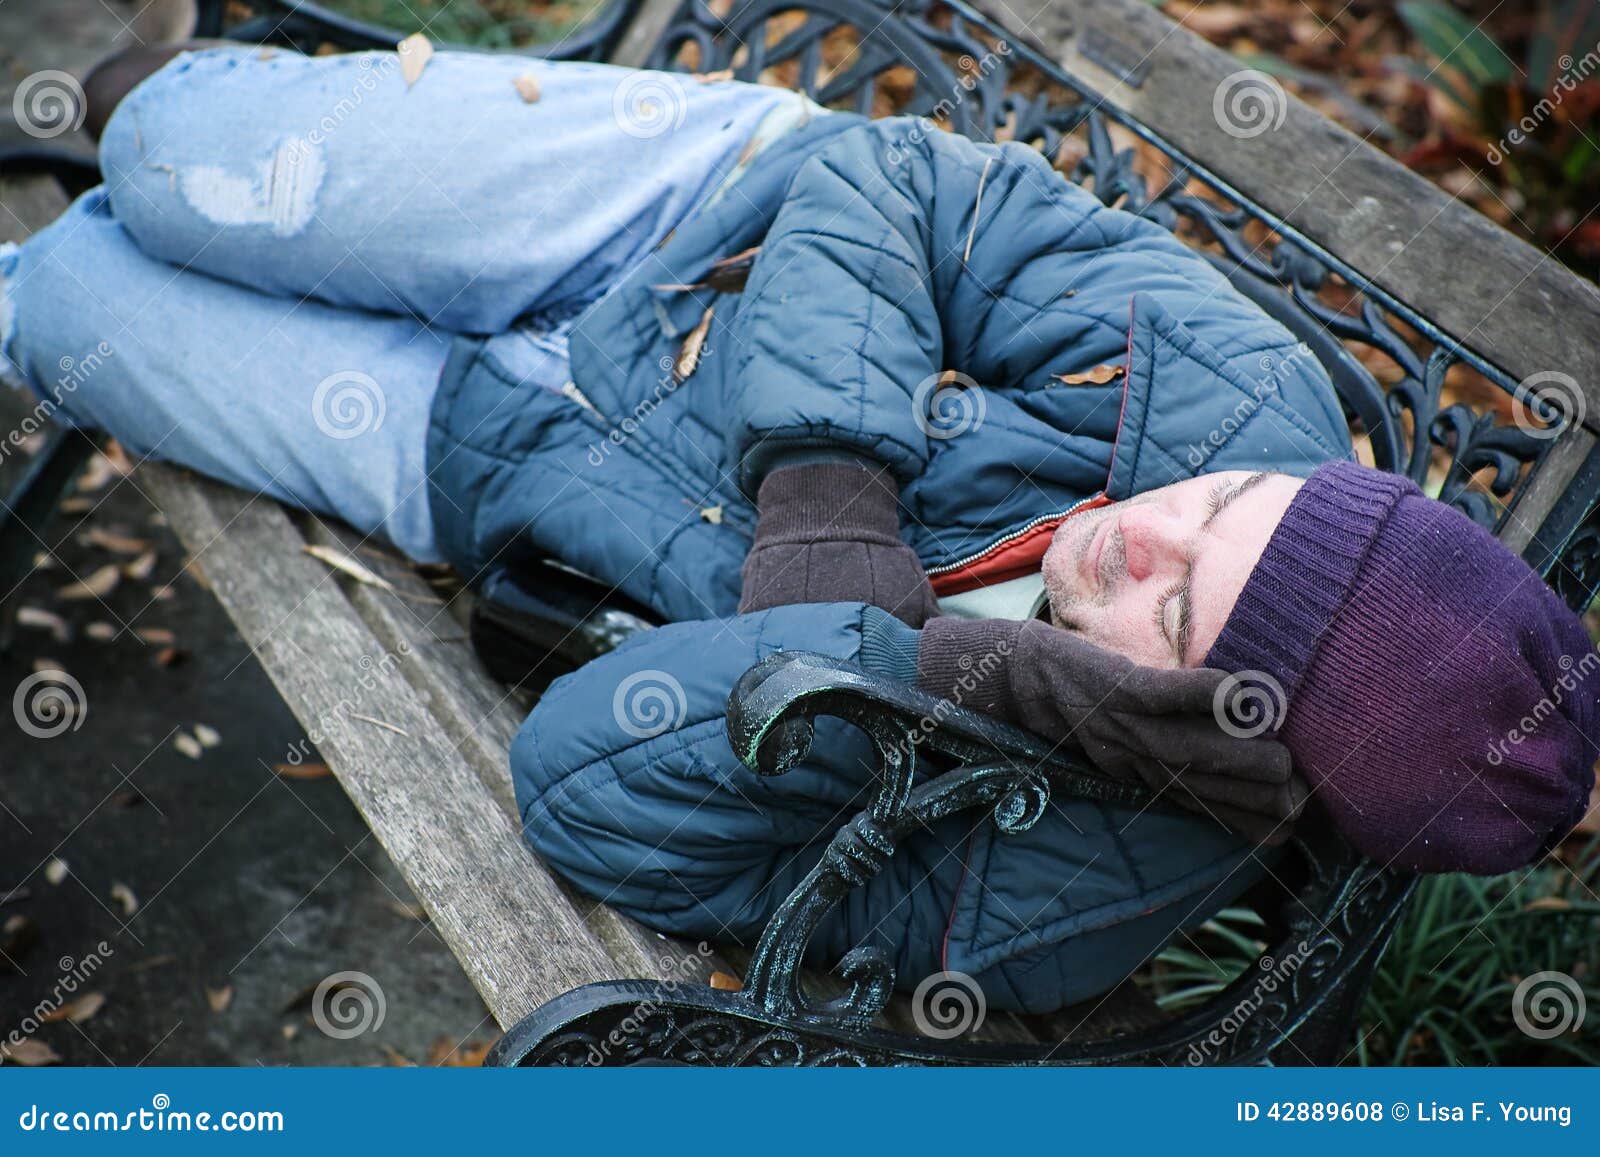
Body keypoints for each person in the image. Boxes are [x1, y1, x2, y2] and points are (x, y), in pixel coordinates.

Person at [3, 44, 1594, 1014]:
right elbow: (897, 176)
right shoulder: (1242, 386)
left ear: (1210, 728)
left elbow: (580, 791)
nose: (1136, 541)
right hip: (679, 220)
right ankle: (172, 93)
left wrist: (935, 676)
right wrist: (828, 489)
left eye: (1173, 620)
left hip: (495, 463)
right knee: (164, 157)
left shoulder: (1076, 888)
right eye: (1221, 508)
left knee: (57, 301)